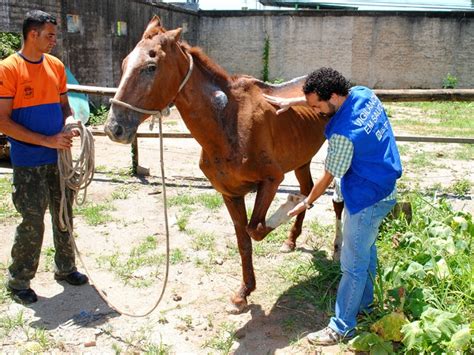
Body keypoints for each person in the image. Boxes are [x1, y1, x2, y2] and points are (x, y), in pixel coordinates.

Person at [264, 68, 402, 345]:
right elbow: (322, 101)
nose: (314, 111)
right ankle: (365, 304)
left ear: (335, 97)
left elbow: (328, 176)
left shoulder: (343, 134)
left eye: (316, 106)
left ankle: (341, 326)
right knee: (366, 251)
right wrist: (292, 102)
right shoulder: (362, 93)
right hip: (387, 183)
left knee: (352, 265)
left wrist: (306, 201)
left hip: (366, 198)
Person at [0, 10, 88, 305]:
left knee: (64, 215)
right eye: (49, 35)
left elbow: (65, 106)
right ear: (32, 35)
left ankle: (65, 268)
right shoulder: (8, 69)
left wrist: (70, 123)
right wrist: (46, 140)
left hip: (58, 159)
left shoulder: (56, 66)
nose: (54, 40)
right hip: (28, 161)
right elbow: (3, 121)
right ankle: (19, 279)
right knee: (32, 220)